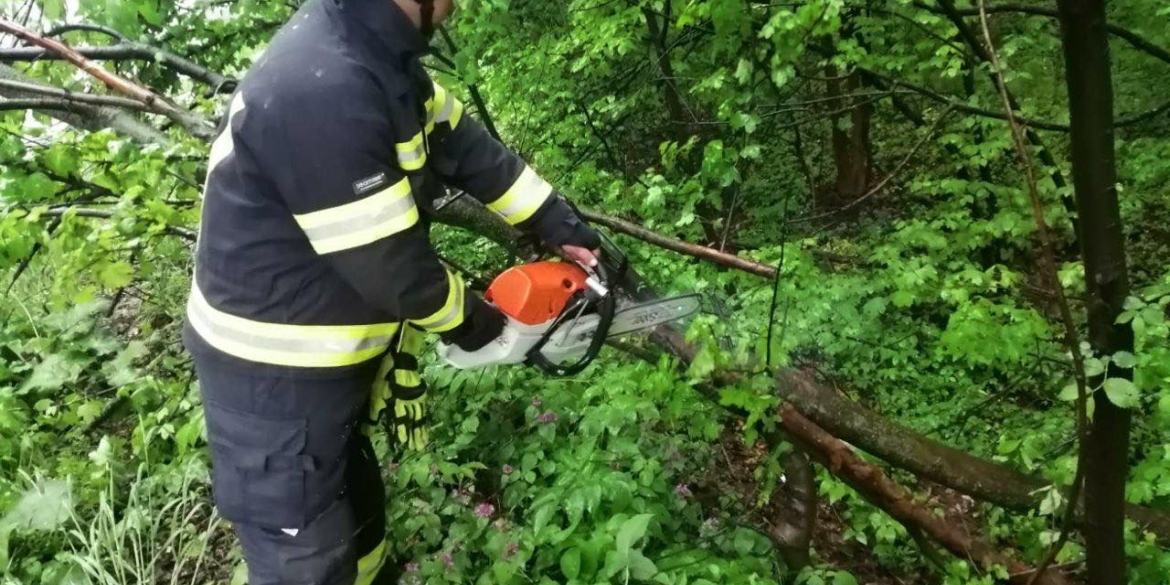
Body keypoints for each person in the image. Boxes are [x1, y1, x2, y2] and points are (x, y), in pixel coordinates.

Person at [182, 0, 601, 582]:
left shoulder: (380, 55)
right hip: (272, 380)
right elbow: (391, 266)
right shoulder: (319, 84)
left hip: (329, 362)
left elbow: (465, 147)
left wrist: (556, 220)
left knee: (360, 519)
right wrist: (475, 323)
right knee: (308, 558)